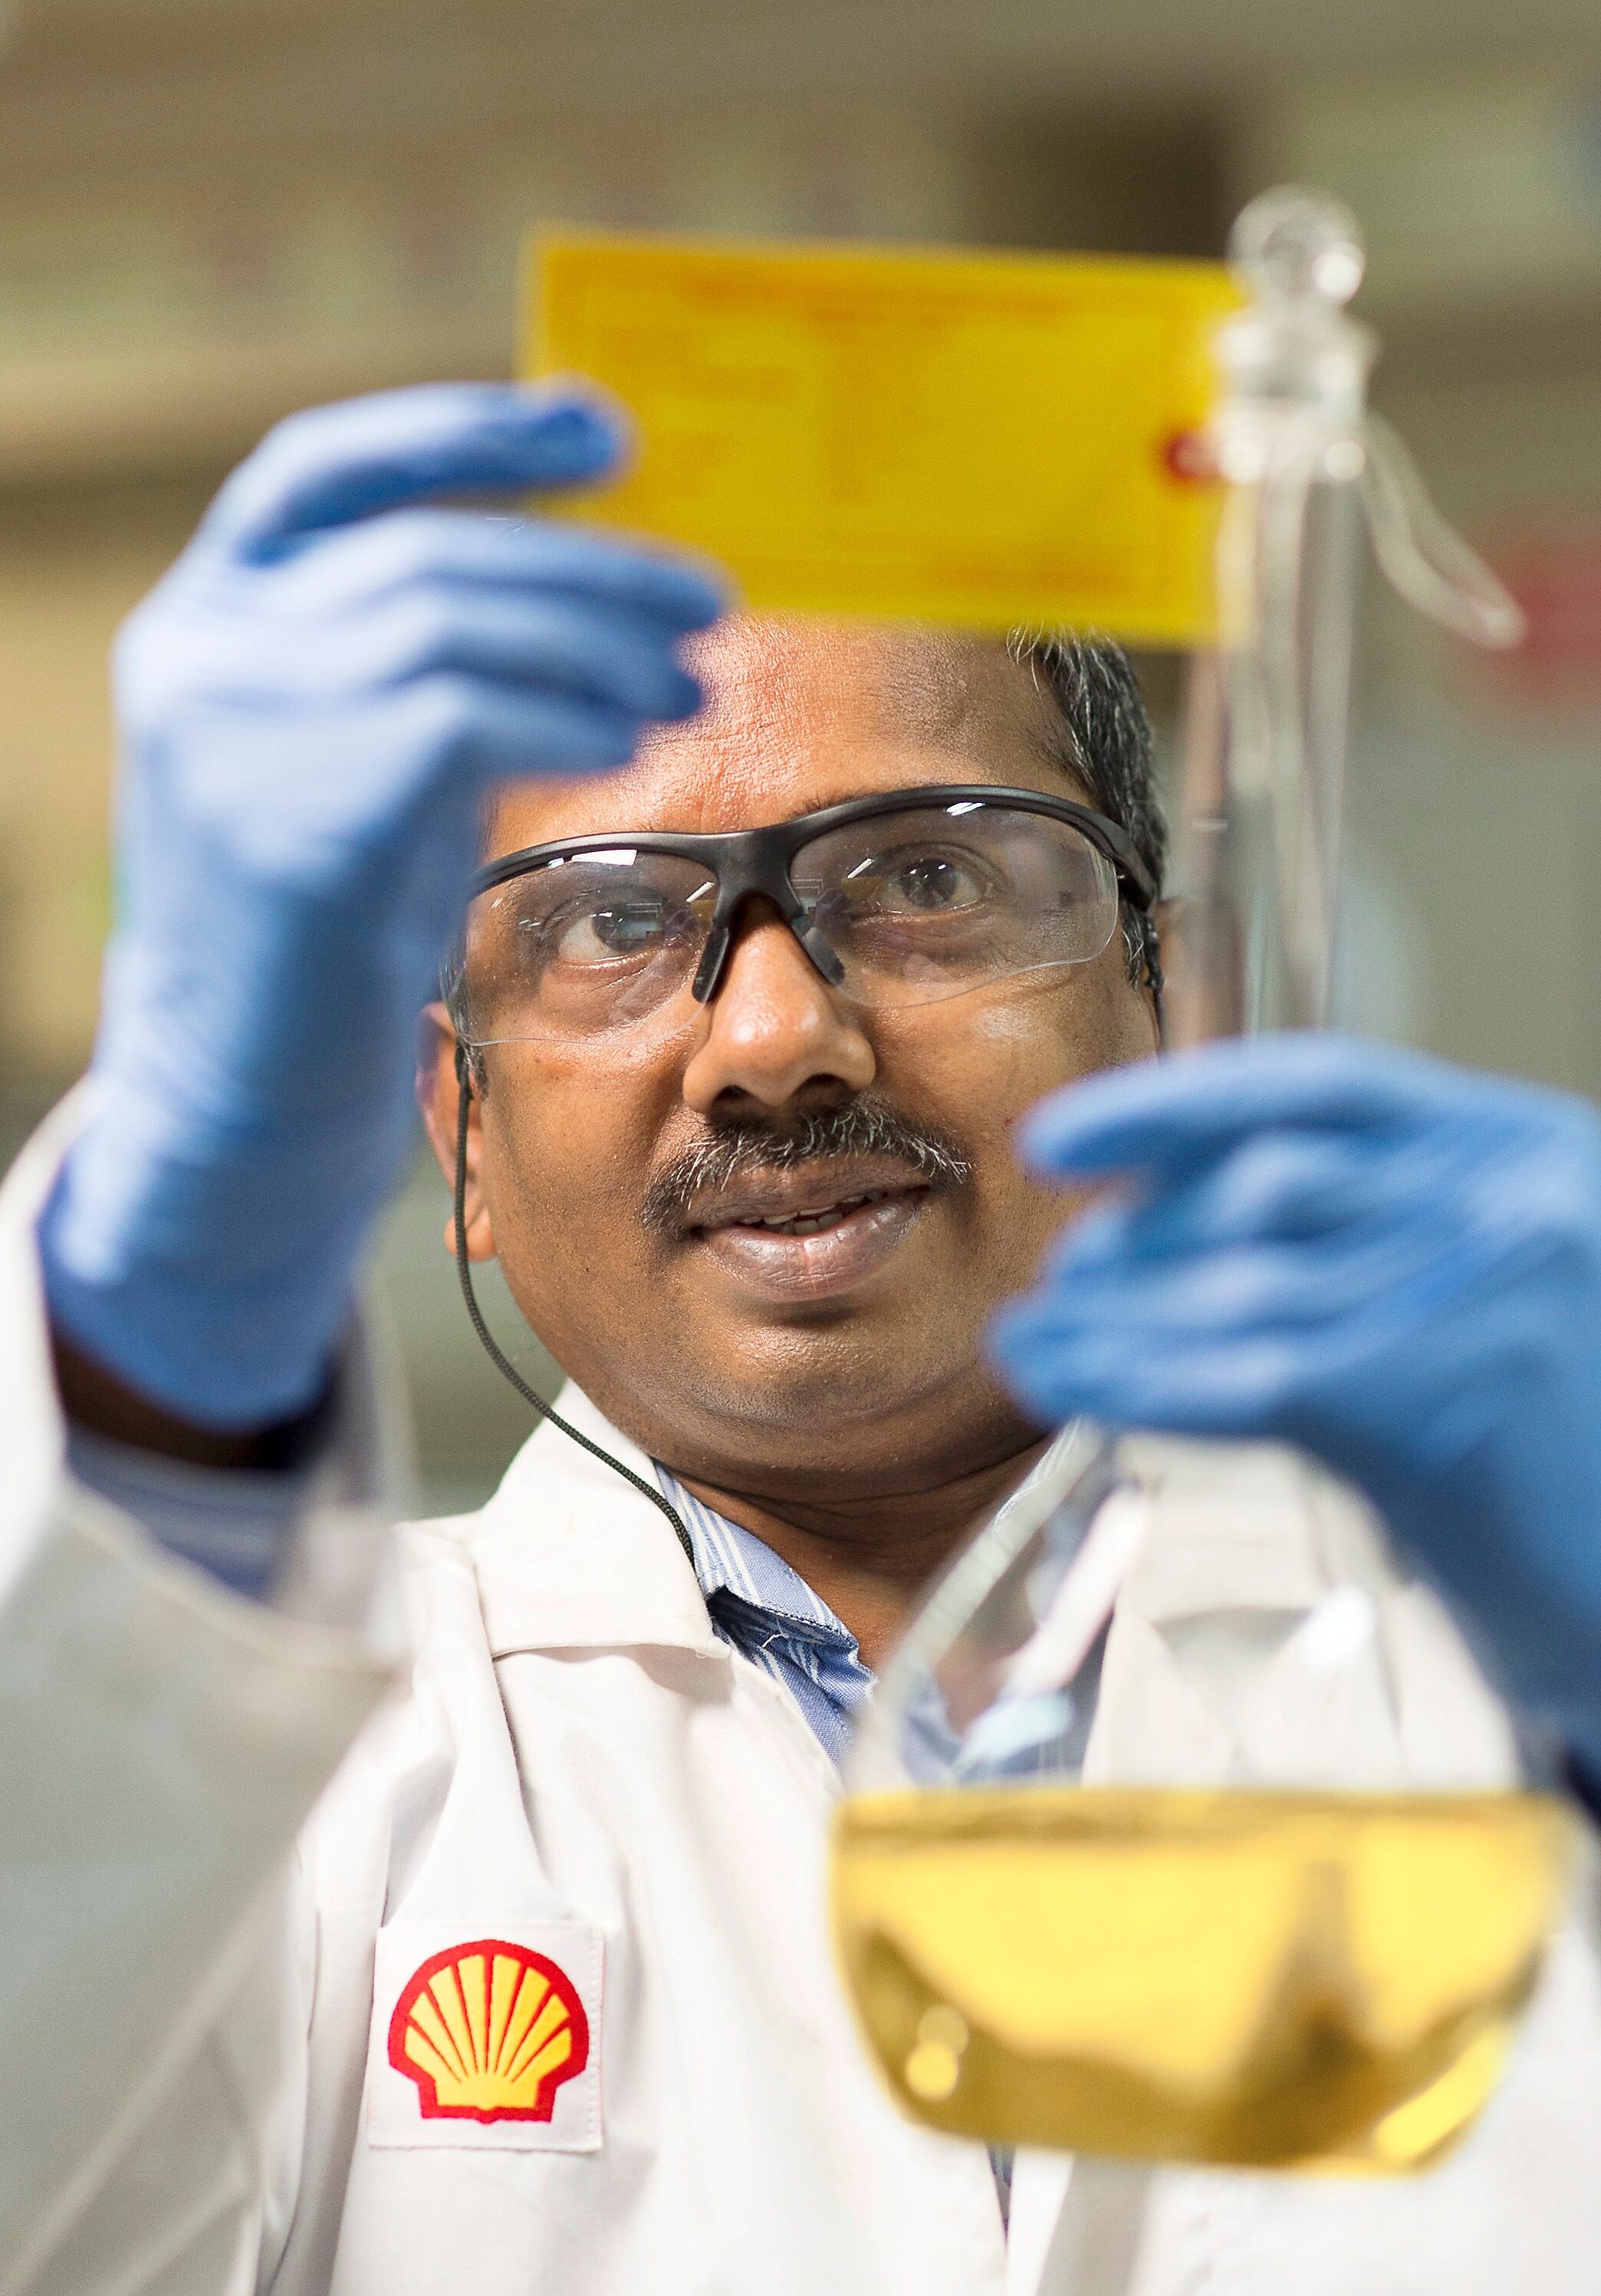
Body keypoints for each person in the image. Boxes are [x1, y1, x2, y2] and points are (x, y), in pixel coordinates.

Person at [4, 380, 1601, 2296]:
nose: (774, 1044)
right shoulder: (288, 1777)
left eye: (925, 876)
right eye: (608, 920)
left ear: (1177, 997)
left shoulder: (1503, 1679)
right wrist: (150, 1347)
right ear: (462, 1138)